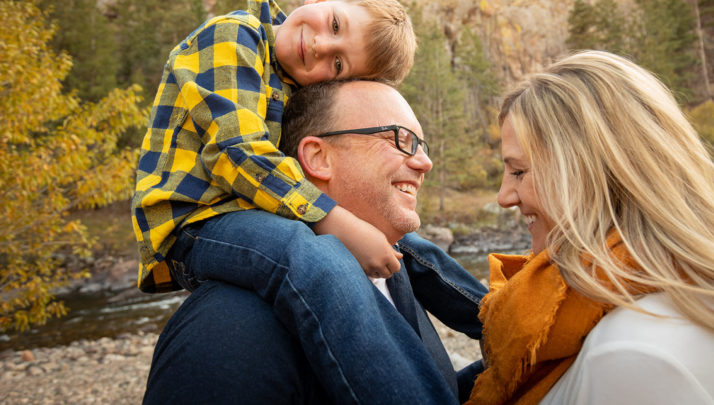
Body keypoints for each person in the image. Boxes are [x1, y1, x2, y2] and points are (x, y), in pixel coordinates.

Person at [144, 80, 487, 405]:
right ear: (318, 158)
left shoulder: (392, 272)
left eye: (422, 146)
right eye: (401, 139)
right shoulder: (227, 330)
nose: (424, 162)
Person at [466, 50, 714, 404]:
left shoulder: (632, 357)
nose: (504, 196)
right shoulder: (709, 299)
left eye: (519, 171)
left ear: (591, 175)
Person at [133, 0, 416, 298]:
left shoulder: (297, 85)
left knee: (403, 248)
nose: (320, 45)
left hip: (255, 212)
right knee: (315, 255)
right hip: (193, 223)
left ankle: (477, 315)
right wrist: (334, 220)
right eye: (335, 25)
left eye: (338, 64)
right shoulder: (234, 34)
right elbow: (235, 152)